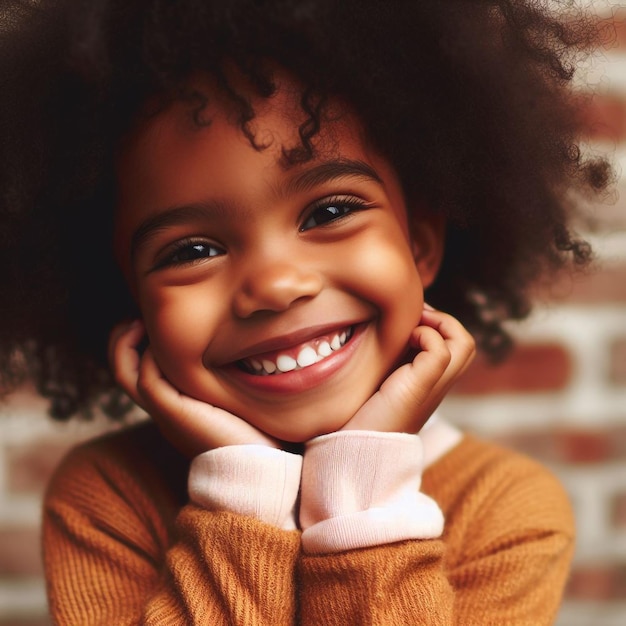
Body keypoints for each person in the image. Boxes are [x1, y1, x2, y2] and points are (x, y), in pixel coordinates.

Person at [0, 0, 611, 623]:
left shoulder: (506, 509)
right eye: (193, 250)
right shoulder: (107, 499)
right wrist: (242, 496)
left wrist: (363, 493)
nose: (275, 285)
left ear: (420, 242)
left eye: (329, 211)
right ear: (129, 299)